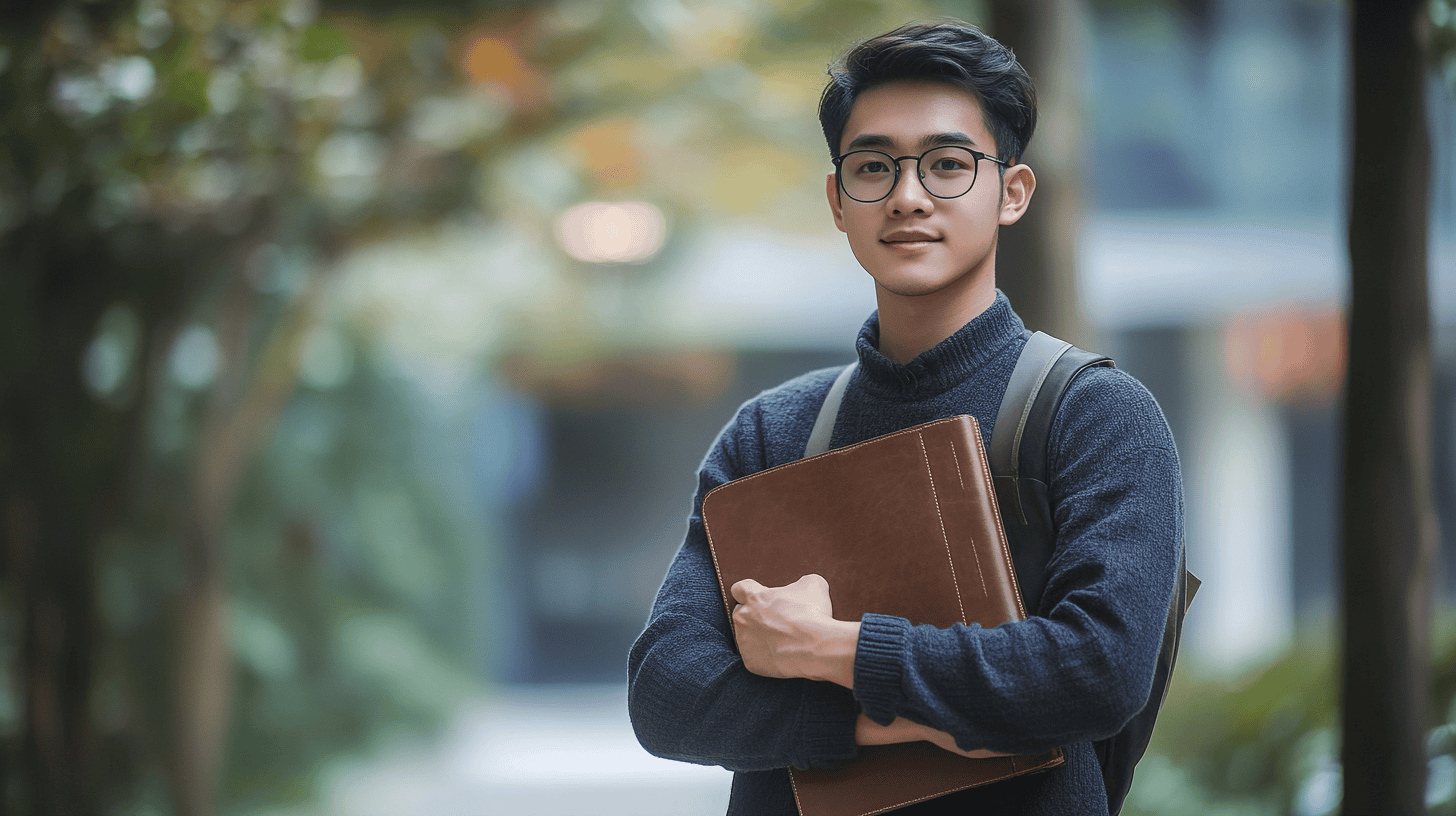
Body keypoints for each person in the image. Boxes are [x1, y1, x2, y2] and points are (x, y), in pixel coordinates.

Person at [627, 19, 1183, 816]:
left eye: (949, 164)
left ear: (1012, 193)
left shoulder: (1096, 415)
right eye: (874, 167)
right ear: (838, 200)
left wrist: (835, 649)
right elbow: (667, 694)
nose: (908, 196)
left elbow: (1098, 671)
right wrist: (889, 724)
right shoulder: (769, 435)